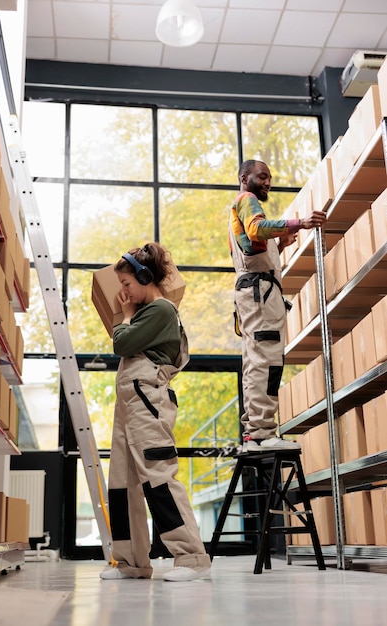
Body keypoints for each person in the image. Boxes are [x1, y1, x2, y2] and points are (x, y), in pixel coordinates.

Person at [100, 242, 211, 582]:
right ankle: (132, 562)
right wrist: (129, 319)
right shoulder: (147, 312)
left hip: (146, 397)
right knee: (122, 482)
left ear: (145, 276)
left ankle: (191, 558)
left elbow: (121, 343)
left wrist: (128, 318)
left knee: (158, 477)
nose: (123, 290)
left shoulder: (160, 310)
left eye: (126, 283)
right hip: (130, 400)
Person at [229, 159, 326, 452]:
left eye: (269, 177)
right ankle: (261, 432)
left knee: (256, 361)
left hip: (253, 292)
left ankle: (254, 431)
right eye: (262, 176)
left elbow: (252, 246)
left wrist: (280, 245)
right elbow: (257, 229)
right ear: (245, 178)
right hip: (260, 293)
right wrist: (301, 222)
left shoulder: (241, 207)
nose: (268, 182)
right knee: (266, 360)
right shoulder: (247, 201)